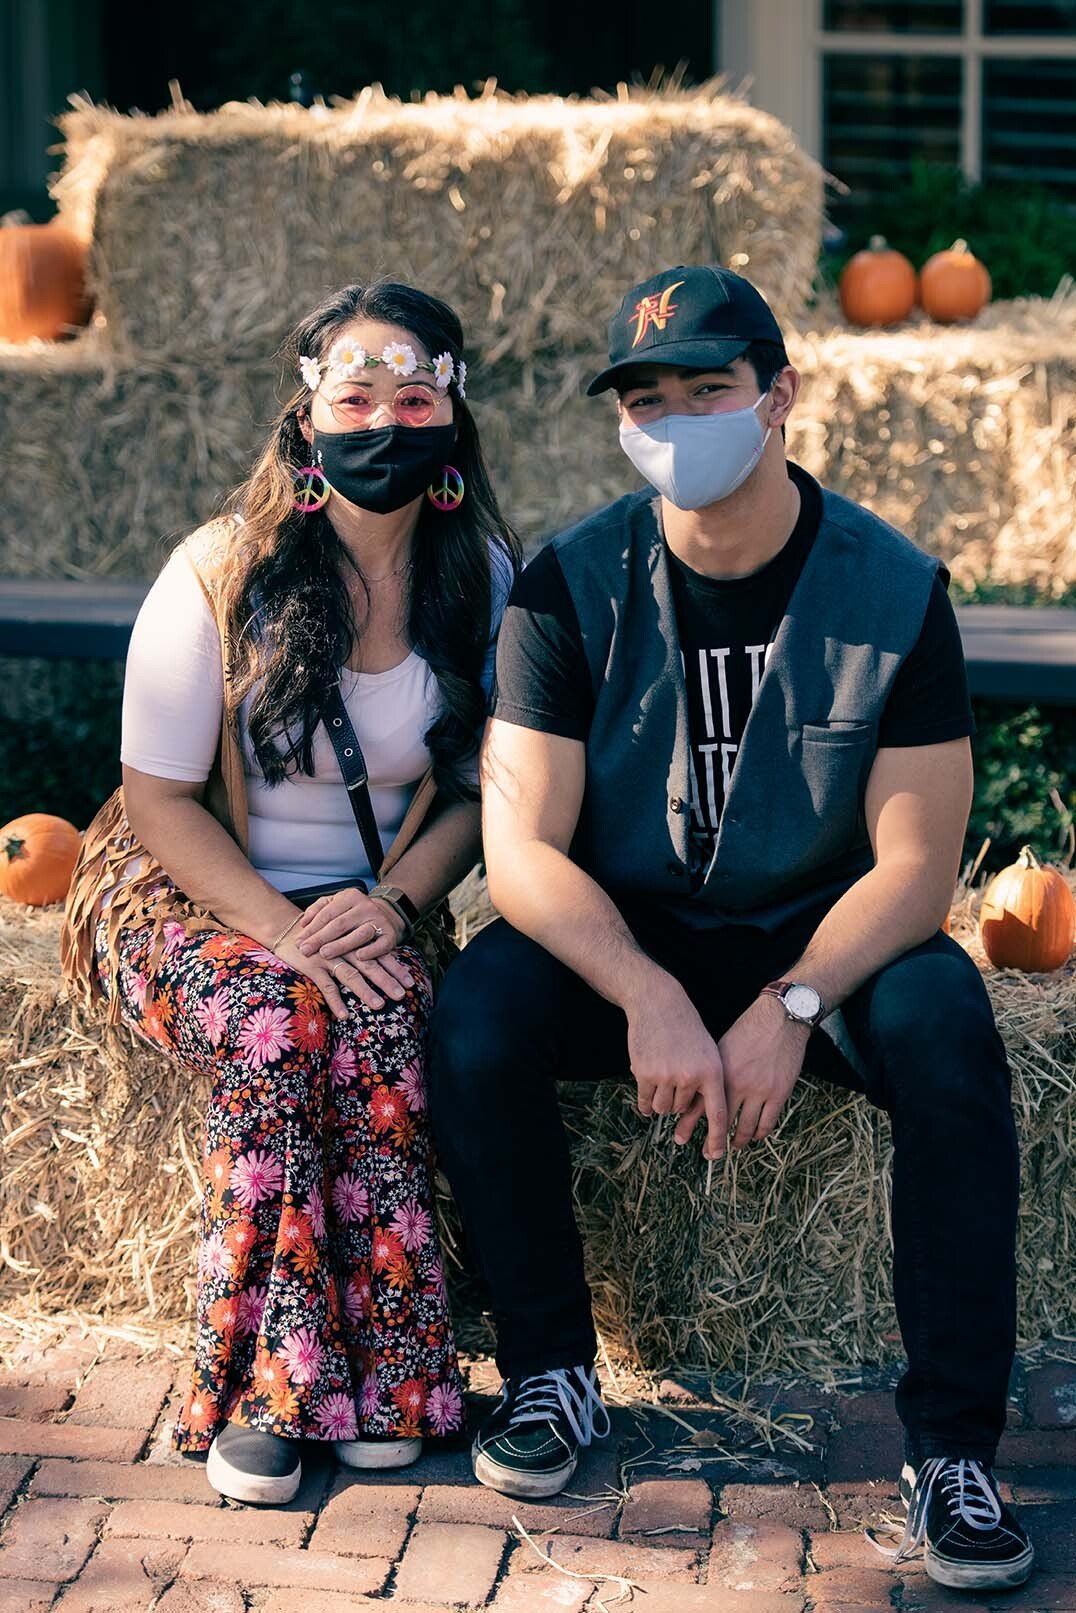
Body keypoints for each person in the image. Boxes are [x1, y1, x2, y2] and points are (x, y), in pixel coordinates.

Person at [428, 265, 1034, 1592]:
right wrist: (645, 993)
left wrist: (795, 1004)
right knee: (474, 1016)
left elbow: (918, 867)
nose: (677, 418)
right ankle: (549, 1371)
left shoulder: (891, 588)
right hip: (631, 925)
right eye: (647, 396)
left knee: (947, 1033)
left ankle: (952, 1450)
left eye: (709, 389)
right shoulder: (567, 588)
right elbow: (518, 847)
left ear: (779, 399)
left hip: (825, 934)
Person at [62, 279, 519, 1506]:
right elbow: (156, 800)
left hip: (370, 901)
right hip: (186, 887)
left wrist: (396, 902)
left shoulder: (480, 574)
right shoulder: (218, 573)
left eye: (414, 396)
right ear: (307, 422)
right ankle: (268, 1389)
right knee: (280, 1023)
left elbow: (485, 784)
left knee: (378, 1030)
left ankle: (394, 1384)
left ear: (452, 422)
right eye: (355, 397)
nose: (385, 420)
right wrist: (283, 931)